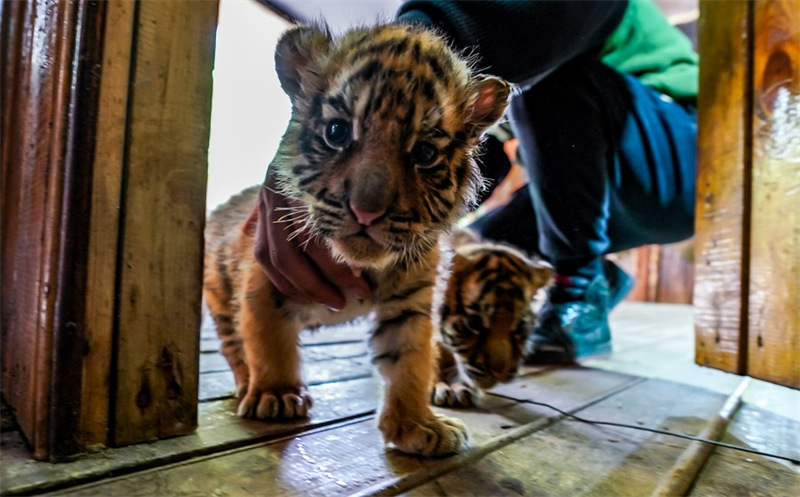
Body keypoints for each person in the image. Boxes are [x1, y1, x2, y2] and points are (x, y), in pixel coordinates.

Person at [253, 0, 698, 364]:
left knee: (553, 84)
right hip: (604, 187)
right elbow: (480, 165)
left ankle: (576, 285)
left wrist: (415, 44)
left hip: (686, 157)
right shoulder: (510, 71)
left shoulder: (541, 42)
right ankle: (596, 272)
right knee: (478, 254)